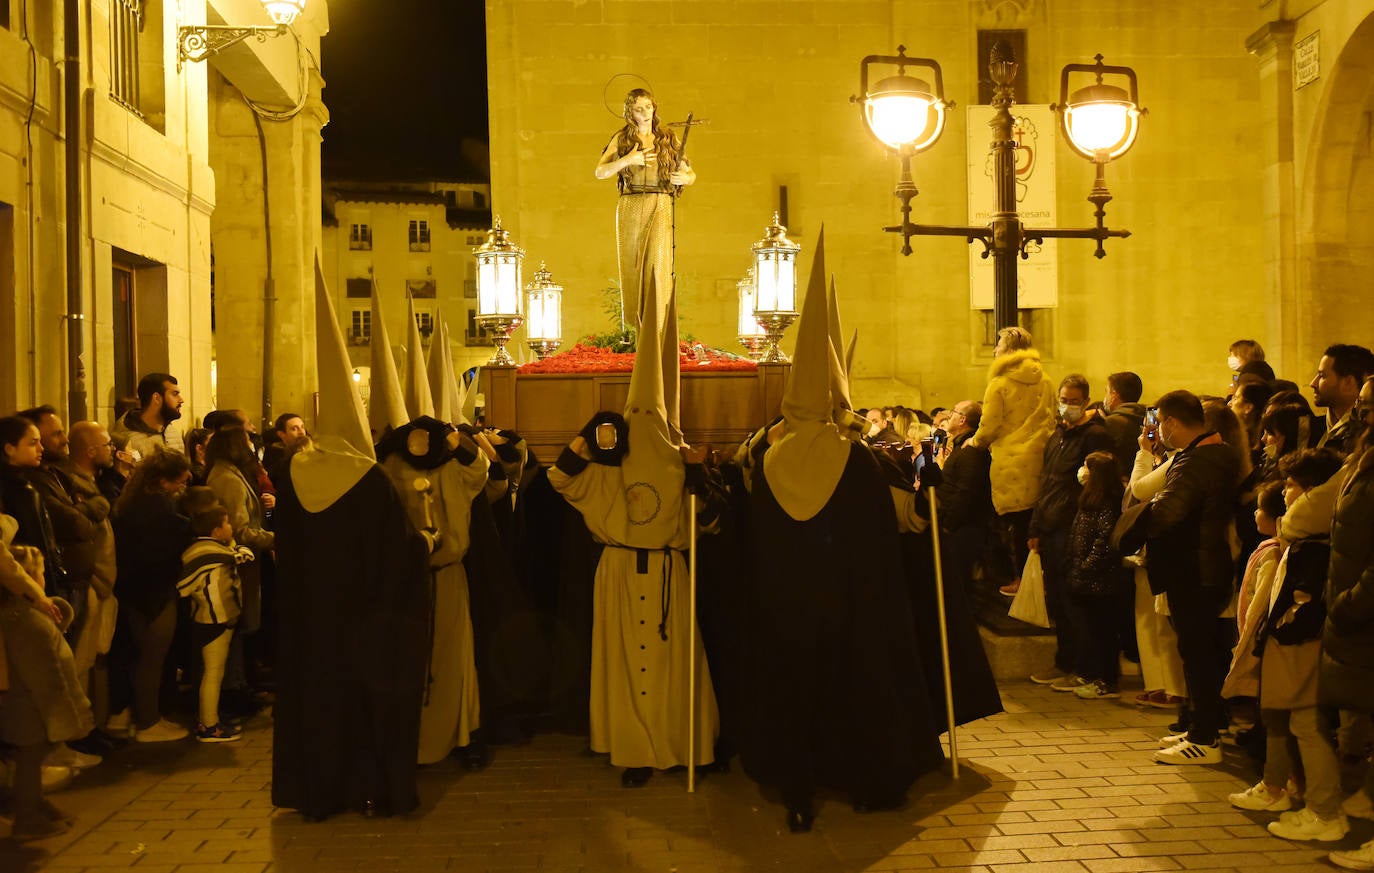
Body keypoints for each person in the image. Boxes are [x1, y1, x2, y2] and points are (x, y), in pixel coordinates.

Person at [737, 236, 942, 832]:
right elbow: (897, 523)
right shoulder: (859, 460)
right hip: (852, 606)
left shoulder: (767, 460)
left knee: (794, 693)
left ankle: (797, 792)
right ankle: (868, 784)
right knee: (855, 689)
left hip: (785, 609)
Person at [547, 267, 718, 790]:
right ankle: (634, 749)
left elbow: (706, 521)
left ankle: (679, 743)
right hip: (619, 569)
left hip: (667, 571)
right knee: (623, 664)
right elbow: (559, 479)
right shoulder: (606, 466)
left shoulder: (679, 462)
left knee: (674, 665)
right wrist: (586, 439)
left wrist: (693, 470)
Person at [1124, 391, 1240, 765]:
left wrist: (1138, 519)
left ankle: (1205, 739)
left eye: (1161, 424)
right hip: (1198, 567)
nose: (1160, 433)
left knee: (1199, 654)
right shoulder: (1209, 454)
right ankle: (1200, 728)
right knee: (1197, 653)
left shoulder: (1198, 459)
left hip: (1195, 570)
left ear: (1172, 422)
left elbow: (1168, 512)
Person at [595, 88, 695, 443]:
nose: (644, 112)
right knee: (634, 269)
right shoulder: (622, 139)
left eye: (648, 107)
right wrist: (629, 160)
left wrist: (686, 178)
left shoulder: (667, 137)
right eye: (637, 108)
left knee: (659, 267)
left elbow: (688, 172)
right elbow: (600, 171)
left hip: (661, 202)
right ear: (629, 112)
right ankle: (636, 331)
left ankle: (658, 330)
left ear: (655, 109)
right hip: (632, 205)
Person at [0, 512, 93, 839]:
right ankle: (27, 814)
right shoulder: (25, 622)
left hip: (27, 704)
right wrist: (60, 711)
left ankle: (34, 804)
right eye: (39, 574)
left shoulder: (23, 617)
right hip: (29, 706)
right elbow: (44, 671)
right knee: (29, 757)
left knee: (32, 757)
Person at [1321, 375, 1374, 870]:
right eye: (1361, 405)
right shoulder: (1363, 457)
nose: (1362, 415)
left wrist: (1352, 601)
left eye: (1370, 406)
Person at [111, 451, 194, 742]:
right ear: (163, 480)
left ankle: (139, 714)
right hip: (154, 593)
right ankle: (148, 721)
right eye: (179, 483)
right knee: (152, 658)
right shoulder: (159, 510)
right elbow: (172, 541)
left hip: (133, 591)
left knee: (140, 656)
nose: (181, 488)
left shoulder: (130, 502)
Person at [968, 327, 1057, 597]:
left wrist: (973, 443)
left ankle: (1022, 580)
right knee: (1036, 522)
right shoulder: (1047, 380)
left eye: (998, 345)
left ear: (1007, 350)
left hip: (1011, 461)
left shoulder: (1000, 383)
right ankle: (1040, 579)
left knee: (1015, 525)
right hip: (1042, 458)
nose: (995, 351)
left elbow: (989, 426)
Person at [177, 504, 253, 743]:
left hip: (212, 618)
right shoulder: (207, 553)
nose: (231, 527)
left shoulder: (203, 548)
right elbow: (243, 554)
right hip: (213, 619)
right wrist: (237, 548)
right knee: (213, 673)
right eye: (227, 523)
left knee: (212, 672)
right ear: (216, 530)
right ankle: (208, 726)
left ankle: (211, 719)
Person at [1066, 450, 1132, 700]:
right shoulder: (1090, 497)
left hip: (1100, 579)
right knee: (1092, 629)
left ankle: (1106, 679)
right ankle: (1096, 675)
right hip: (1085, 575)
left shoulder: (1108, 500)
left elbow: (1104, 539)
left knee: (1103, 631)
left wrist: (1087, 564)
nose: (1082, 471)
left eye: (1087, 467)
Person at [111, 373, 186, 456]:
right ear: (156, 398)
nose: (181, 400)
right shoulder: (127, 440)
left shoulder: (172, 433)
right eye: (175, 394)